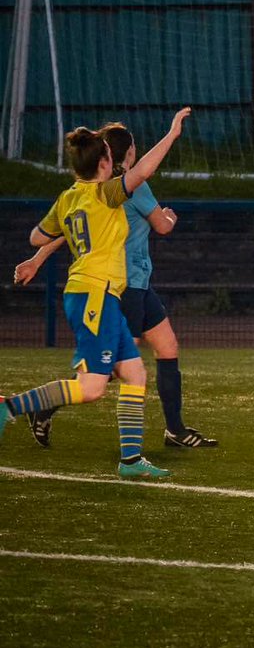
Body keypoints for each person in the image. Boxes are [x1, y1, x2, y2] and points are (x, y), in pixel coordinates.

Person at [1, 108, 192, 478]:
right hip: (94, 295)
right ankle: (10, 407)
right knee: (91, 389)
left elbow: (37, 236)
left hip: (95, 292)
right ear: (106, 163)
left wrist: (47, 252)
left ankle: (131, 461)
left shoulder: (70, 197)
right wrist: (171, 134)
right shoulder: (107, 194)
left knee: (136, 374)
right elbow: (144, 172)